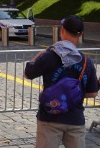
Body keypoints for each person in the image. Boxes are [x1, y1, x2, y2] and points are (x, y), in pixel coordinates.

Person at [24, 15, 98, 148]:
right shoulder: (87, 61)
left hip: (49, 119)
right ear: (81, 34)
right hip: (75, 119)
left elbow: (28, 74)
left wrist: (38, 56)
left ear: (62, 30)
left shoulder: (48, 56)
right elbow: (92, 93)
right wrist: (73, 94)